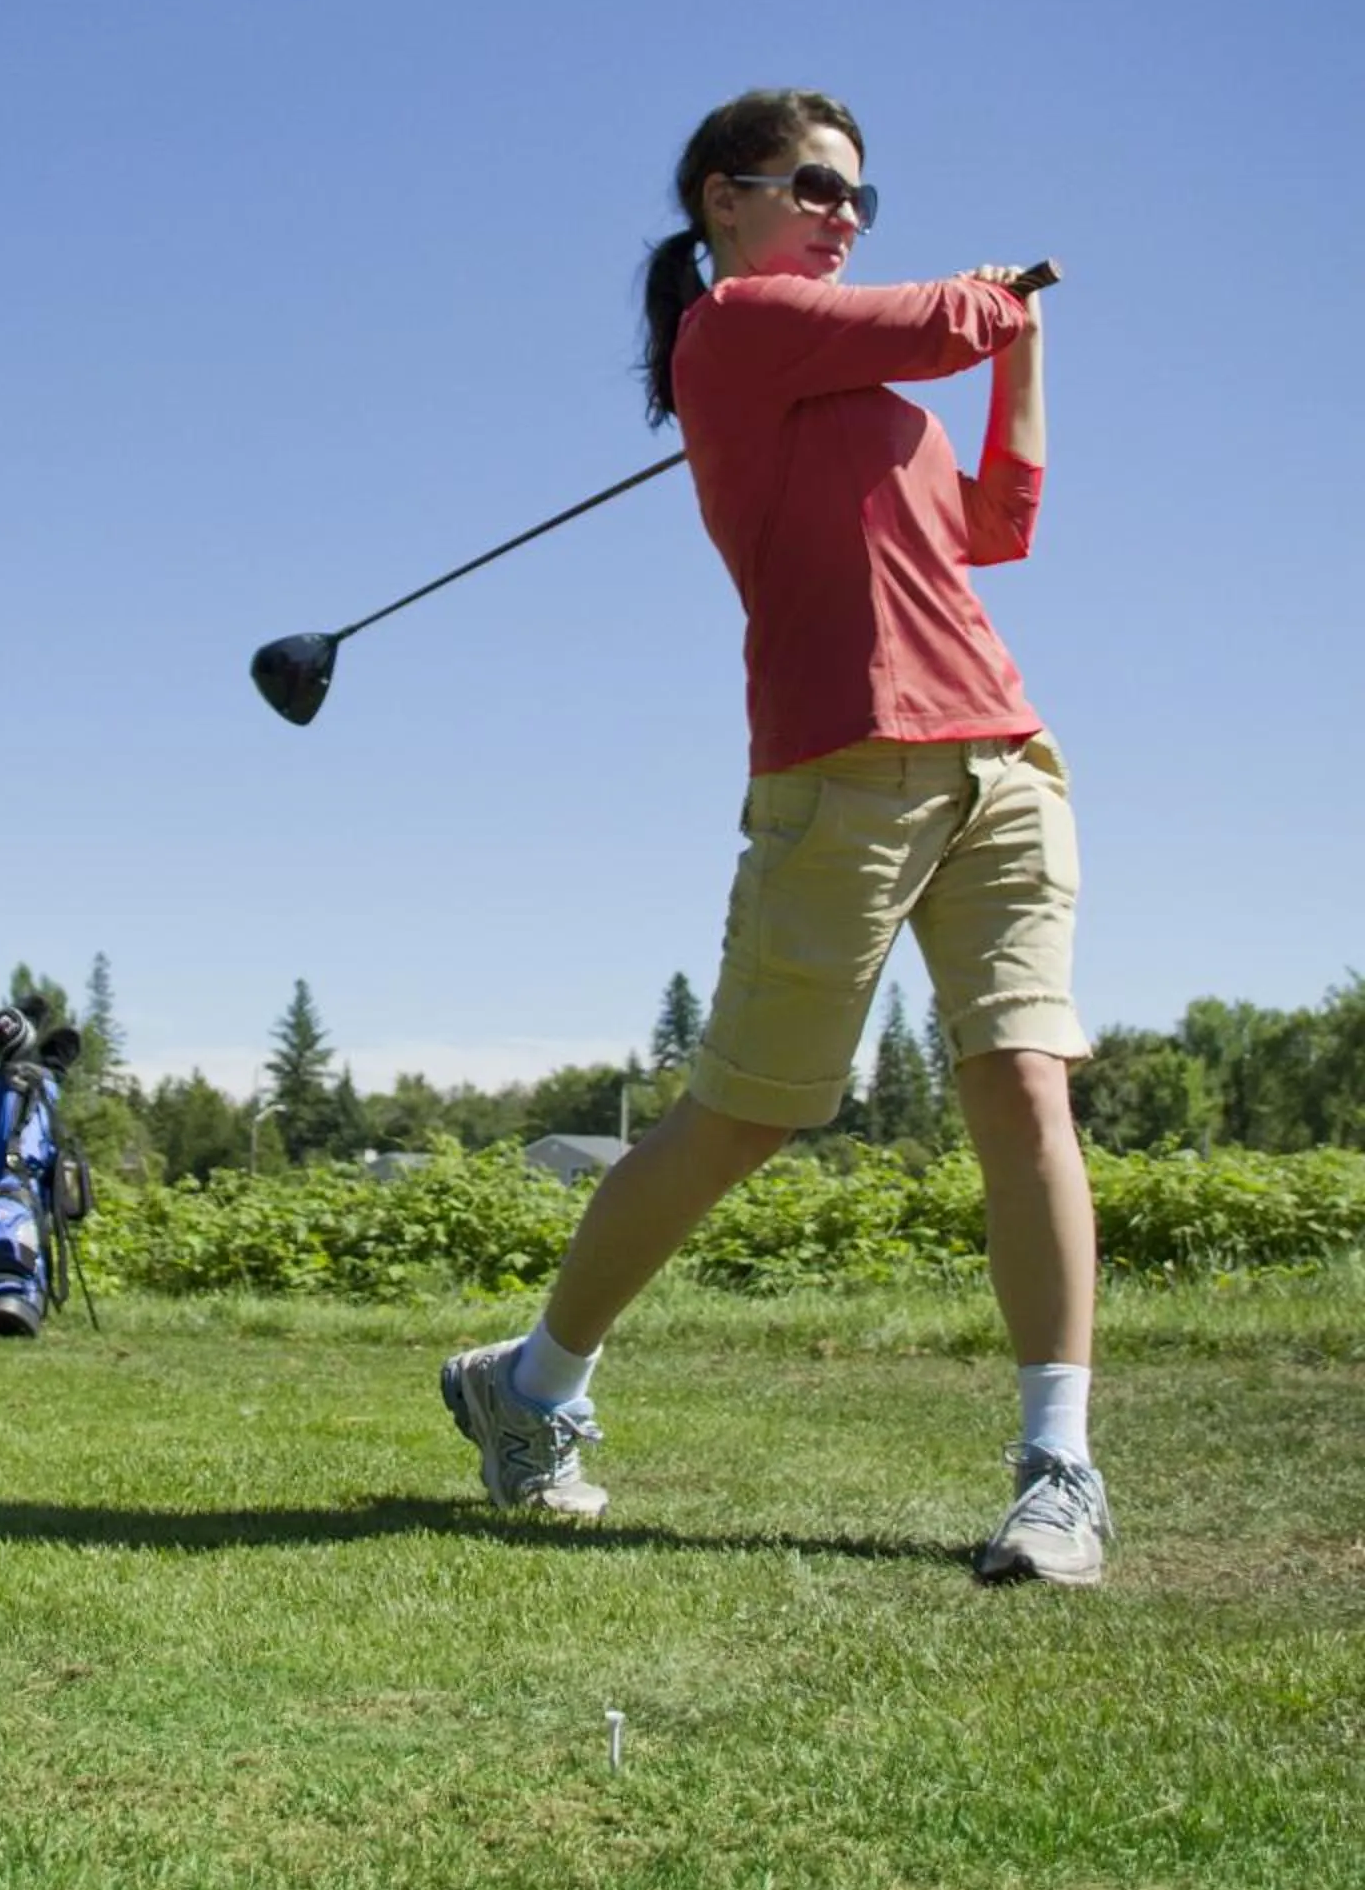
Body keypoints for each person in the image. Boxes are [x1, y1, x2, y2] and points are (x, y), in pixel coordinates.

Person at [442, 88, 1112, 1586]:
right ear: (721, 201)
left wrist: (1025, 353)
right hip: (840, 772)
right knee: (745, 1119)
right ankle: (533, 1382)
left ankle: (1058, 1468)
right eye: (815, 186)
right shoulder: (733, 334)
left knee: (1024, 1083)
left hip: (1003, 757)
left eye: (861, 195)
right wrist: (985, 312)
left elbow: (1000, 520)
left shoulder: (875, 398)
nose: (845, 213)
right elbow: (939, 318)